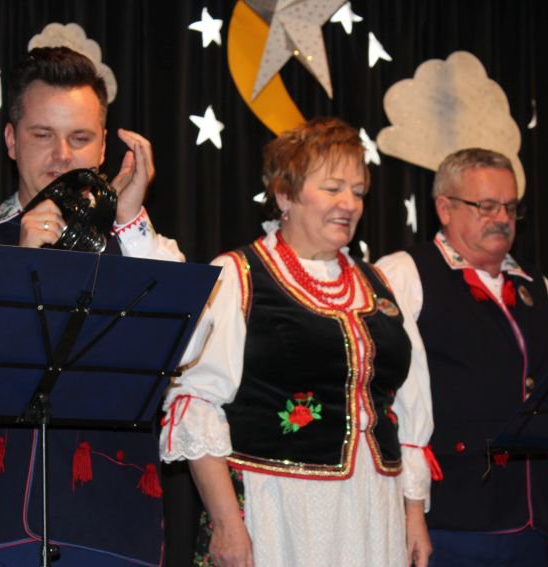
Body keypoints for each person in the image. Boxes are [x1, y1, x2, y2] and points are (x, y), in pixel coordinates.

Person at [0, 46, 184, 565]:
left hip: (110, 535)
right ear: (11, 140)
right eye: (41, 135)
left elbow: (197, 348)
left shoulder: (144, 246)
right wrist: (15, 267)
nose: (61, 157)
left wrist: (129, 223)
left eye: (80, 138)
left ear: (103, 147)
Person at [159, 117, 434, 567]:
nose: (349, 203)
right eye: (332, 188)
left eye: (358, 191)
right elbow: (197, 402)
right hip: (279, 503)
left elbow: (406, 407)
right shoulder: (237, 276)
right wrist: (226, 521)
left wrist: (413, 514)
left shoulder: (380, 286)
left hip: (374, 504)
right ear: (285, 195)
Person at [377, 148, 548, 567]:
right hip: (447, 520)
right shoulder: (405, 274)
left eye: (511, 207)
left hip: (532, 520)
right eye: (486, 206)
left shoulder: (539, 287)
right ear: (444, 208)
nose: (502, 218)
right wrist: (409, 511)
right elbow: (384, 403)